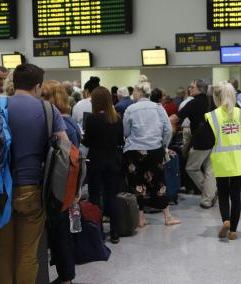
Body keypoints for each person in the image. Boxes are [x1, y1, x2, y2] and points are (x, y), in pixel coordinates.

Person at [0, 64, 68, 284]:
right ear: (37, 86)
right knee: (28, 253)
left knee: (1, 252)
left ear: (13, 83)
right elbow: (65, 148)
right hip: (33, 190)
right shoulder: (47, 109)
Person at [123, 83, 180, 227]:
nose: (133, 94)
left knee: (137, 184)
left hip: (134, 150)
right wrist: (164, 145)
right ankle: (167, 217)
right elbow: (167, 129)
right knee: (159, 182)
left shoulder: (130, 109)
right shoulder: (159, 108)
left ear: (140, 92)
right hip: (155, 149)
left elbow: (125, 131)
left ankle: (141, 219)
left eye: (134, 91)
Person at [42, 80, 81, 284]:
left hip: (57, 184)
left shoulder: (58, 124)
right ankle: (66, 274)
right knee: (62, 229)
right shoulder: (71, 121)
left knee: (59, 231)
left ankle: (66, 276)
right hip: (67, 183)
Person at [203, 82, 241, 240]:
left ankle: (226, 220)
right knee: (235, 195)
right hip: (238, 161)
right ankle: (234, 231)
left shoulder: (212, 115)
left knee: (223, 193)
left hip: (222, 162)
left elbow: (208, 140)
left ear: (216, 98)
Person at [82, 87, 124, 244]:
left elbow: (87, 142)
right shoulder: (116, 119)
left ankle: (97, 231)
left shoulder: (92, 119)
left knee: (95, 196)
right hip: (113, 161)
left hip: (96, 161)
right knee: (111, 196)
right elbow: (121, 141)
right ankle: (115, 233)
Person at [170, 79, 217, 209]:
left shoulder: (193, 103)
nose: (189, 89)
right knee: (209, 170)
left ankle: (209, 193)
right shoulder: (211, 100)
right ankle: (208, 198)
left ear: (199, 89)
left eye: (191, 87)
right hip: (214, 138)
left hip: (200, 140)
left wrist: (162, 120)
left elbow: (177, 117)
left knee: (191, 167)